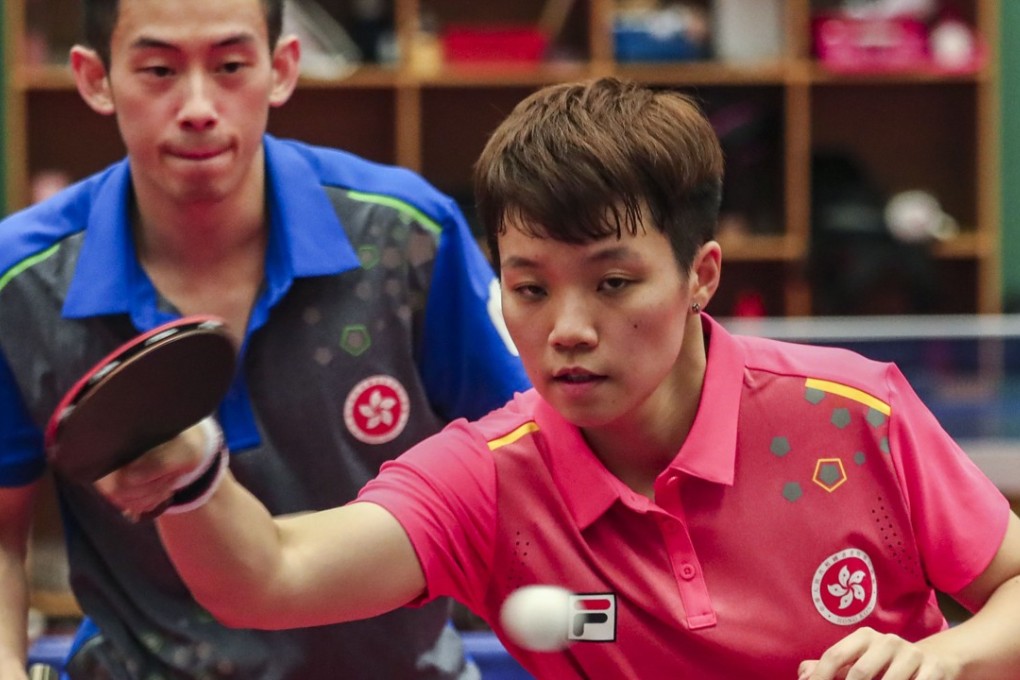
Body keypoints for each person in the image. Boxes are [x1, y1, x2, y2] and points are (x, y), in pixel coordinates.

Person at [79, 78, 1020, 678]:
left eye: (613, 283)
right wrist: (192, 475)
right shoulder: (490, 479)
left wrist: (942, 658)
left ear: (701, 275)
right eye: (528, 288)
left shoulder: (851, 413)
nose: (567, 330)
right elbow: (270, 579)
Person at [0, 0, 530, 677]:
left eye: (230, 66)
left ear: (280, 70)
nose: (197, 105)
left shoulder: (409, 237)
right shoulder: (19, 282)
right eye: (159, 69)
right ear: (95, 78)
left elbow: (525, 461)